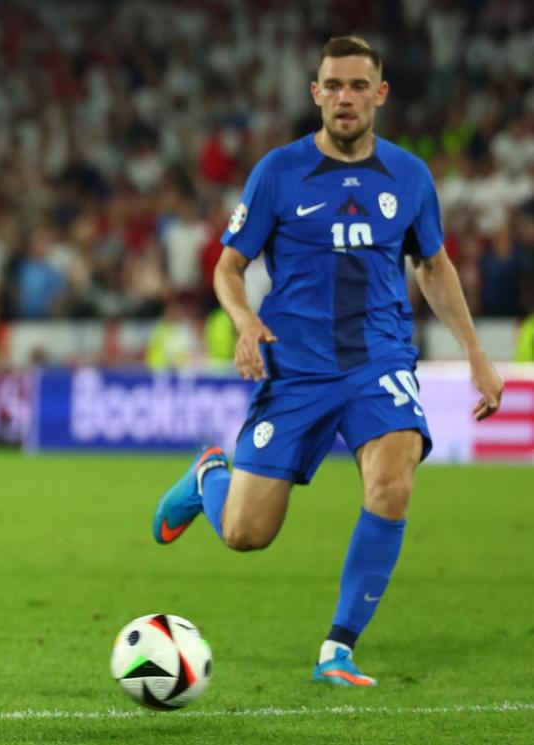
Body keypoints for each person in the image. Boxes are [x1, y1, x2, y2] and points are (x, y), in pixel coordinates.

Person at [151, 37, 504, 687]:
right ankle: (210, 475)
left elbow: (433, 265)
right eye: (333, 86)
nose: (345, 97)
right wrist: (245, 322)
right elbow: (229, 268)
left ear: (380, 94)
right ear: (316, 94)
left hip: (380, 357)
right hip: (297, 367)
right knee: (247, 534)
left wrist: (477, 355)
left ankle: (337, 647)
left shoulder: (410, 175)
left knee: (394, 476)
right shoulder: (278, 172)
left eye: (358, 86)